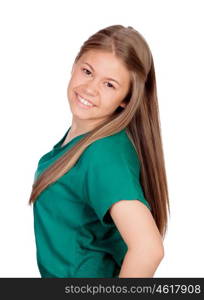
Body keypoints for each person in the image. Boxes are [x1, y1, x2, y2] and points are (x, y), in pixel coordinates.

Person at [28, 24, 169, 278]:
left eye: (109, 85)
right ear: (73, 65)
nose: (90, 88)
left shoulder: (102, 154)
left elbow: (148, 248)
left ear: (126, 98)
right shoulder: (85, 141)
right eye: (87, 71)